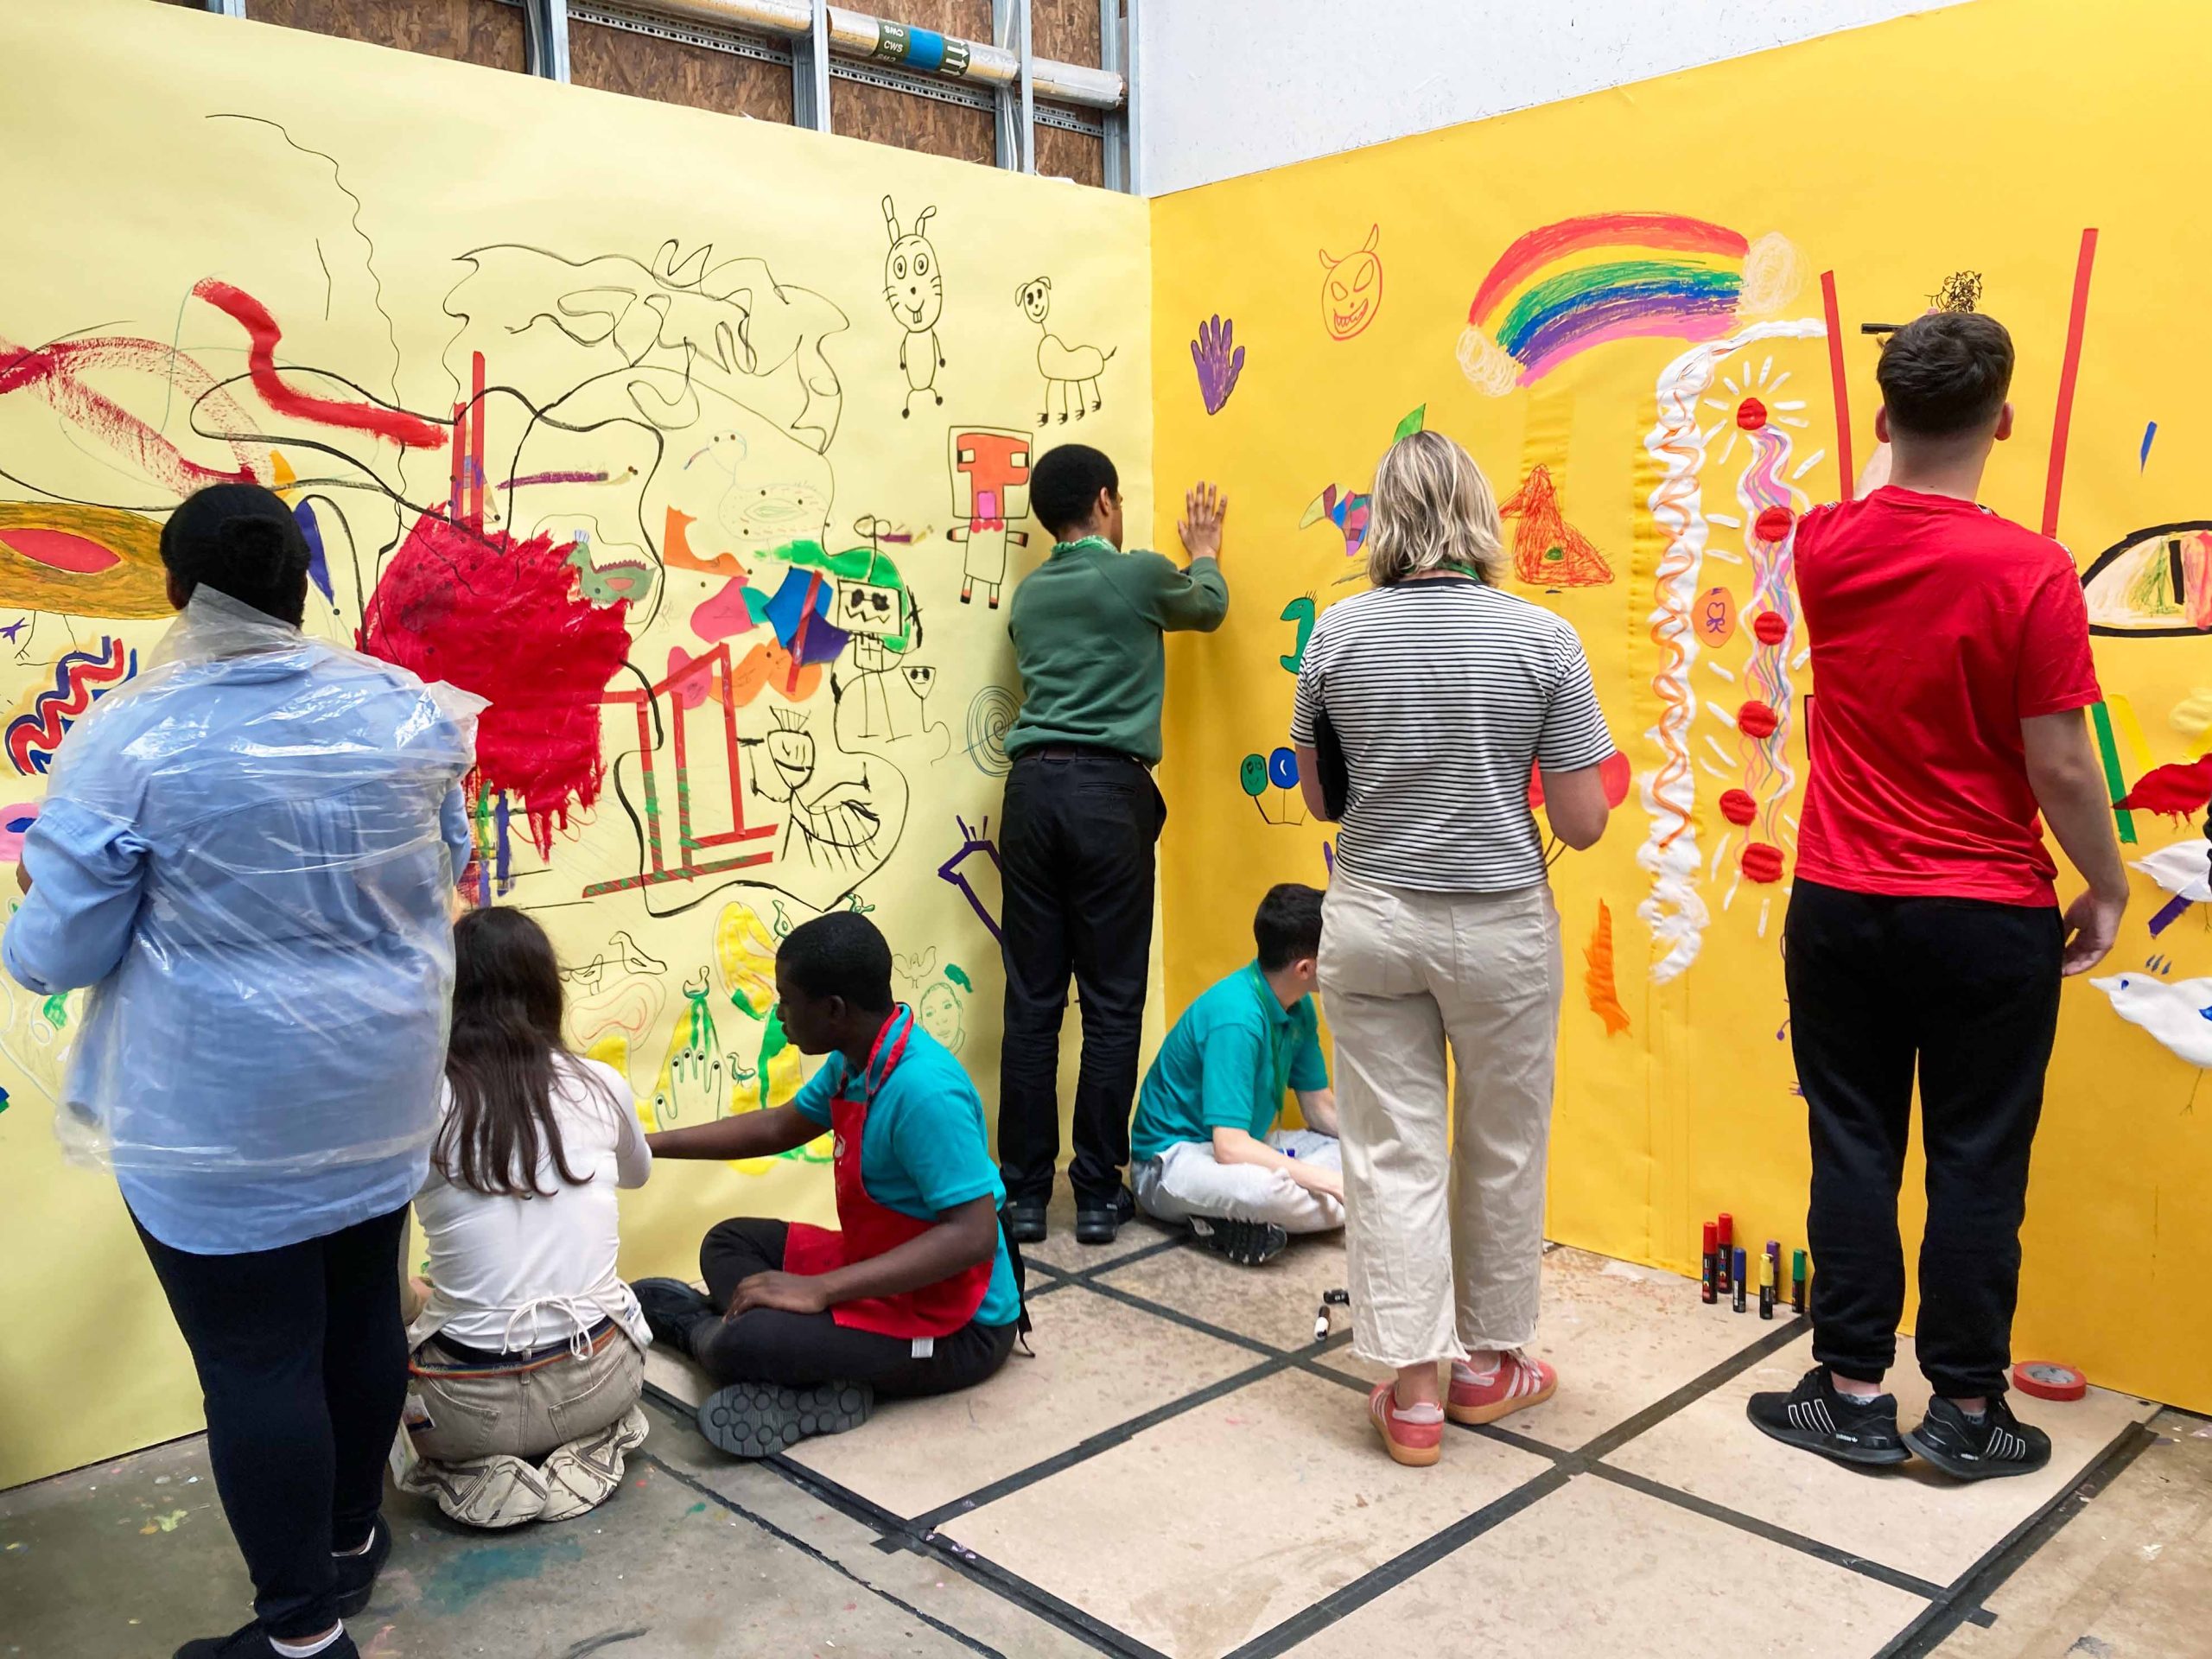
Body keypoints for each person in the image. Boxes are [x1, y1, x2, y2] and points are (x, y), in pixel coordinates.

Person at [2, 484, 477, 1659]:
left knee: (258, 1361)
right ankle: (353, 1542)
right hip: (381, 1088)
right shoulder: (403, 713)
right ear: (300, 586)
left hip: (217, 1119)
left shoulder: (128, 739)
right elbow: (447, 867)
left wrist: (39, 899)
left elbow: (54, 952)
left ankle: (301, 1636)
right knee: (364, 1314)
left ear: (175, 593)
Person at [1748, 313, 2127, 1481]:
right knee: (1978, 1159)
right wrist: (2104, 887)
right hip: (1985, 911)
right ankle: (1965, 1411)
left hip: (1843, 902)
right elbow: (2061, 762)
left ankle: (1854, 1393)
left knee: (1851, 1142)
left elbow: (1887, 500)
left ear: (1879, 420)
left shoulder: (1824, 544)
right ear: (2003, 422)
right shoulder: (2035, 570)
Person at [1290, 430, 1615, 1468]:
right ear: (1479, 515)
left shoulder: (1335, 636)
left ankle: (1414, 1393)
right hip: (1501, 928)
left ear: (1385, 519)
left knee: (1390, 1153)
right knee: (1503, 1142)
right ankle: (1487, 1366)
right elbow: (1583, 820)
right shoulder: (1542, 638)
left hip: (1372, 920)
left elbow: (1322, 798)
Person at [633, 912, 1024, 1458]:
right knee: (728, 1242)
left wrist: (819, 1291)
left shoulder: (925, 1092)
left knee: (743, 1343)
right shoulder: (855, 1060)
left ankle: (706, 1334)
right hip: (883, 1267)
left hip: (961, 1327)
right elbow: (776, 1126)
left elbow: (973, 1237)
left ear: (834, 1010)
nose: (779, 1015)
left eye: (788, 1002)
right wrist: (644, 1144)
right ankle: (818, 1373)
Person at [997, 446, 1230, 1247]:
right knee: (1110, 1003)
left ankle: (1024, 1198)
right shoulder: (1134, 575)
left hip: (1029, 794)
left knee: (1031, 1005)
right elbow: (1206, 608)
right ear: (1105, 501)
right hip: (1107, 797)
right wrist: (1204, 554)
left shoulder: (1029, 598)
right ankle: (1096, 1195)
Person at [398, 907, 653, 1529]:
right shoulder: (600, 1084)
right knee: (627, 1311)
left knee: (372, 1372)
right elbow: (637, 1173)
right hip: (597, 1381)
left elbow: (383, 1287)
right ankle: (596, 1444)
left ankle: (463, 1470)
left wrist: (427, 1299)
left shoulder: (415, 1101)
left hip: (460, 1410)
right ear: (548, 990)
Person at [1129, 884, 1341, 1266]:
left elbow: (1319, 1110)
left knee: (1355, 1154)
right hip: (1172, 1161)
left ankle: (1257, 1217)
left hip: (1244, 1144)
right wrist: (1330, 1183)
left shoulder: (1299, 1006)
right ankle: (1348, 1203)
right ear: (1306, 968)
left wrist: (1380, 1150)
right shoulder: (1237, 1017)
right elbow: (1229, 1147)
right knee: (1269, 1191)